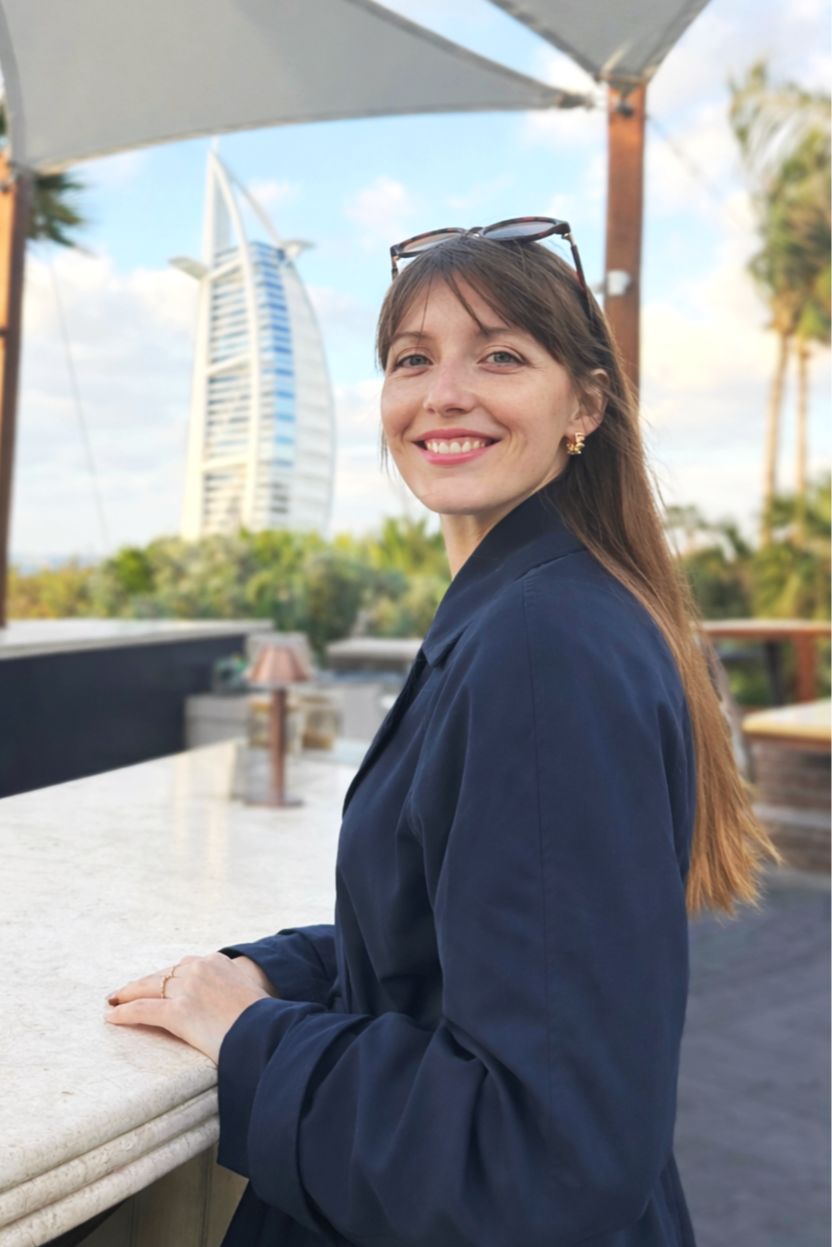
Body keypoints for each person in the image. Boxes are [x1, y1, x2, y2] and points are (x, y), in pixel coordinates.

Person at [108, 219, 777, 1247]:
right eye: (410, 358)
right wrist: (279, 973)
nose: (443, 392)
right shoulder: (545, 605)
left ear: (584, 407)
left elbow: (541, 1149)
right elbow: (473, 951)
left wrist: (253, 1035)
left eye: (500, 355)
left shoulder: (540, 644)